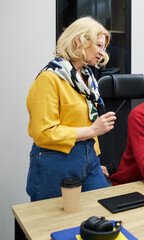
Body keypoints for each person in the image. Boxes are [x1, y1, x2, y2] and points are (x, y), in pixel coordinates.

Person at [26, 16, 116, 201]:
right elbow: (43, 132)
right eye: (99, 45)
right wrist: (92, 130)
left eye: (104, 47)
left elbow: (87, 119)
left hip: (88, 158)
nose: (102, 52)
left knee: (101, 212)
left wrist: (93, 160)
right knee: (55, 224)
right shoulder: (49, 79)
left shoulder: (87, 79)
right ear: (79, 41)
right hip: (54, 162)